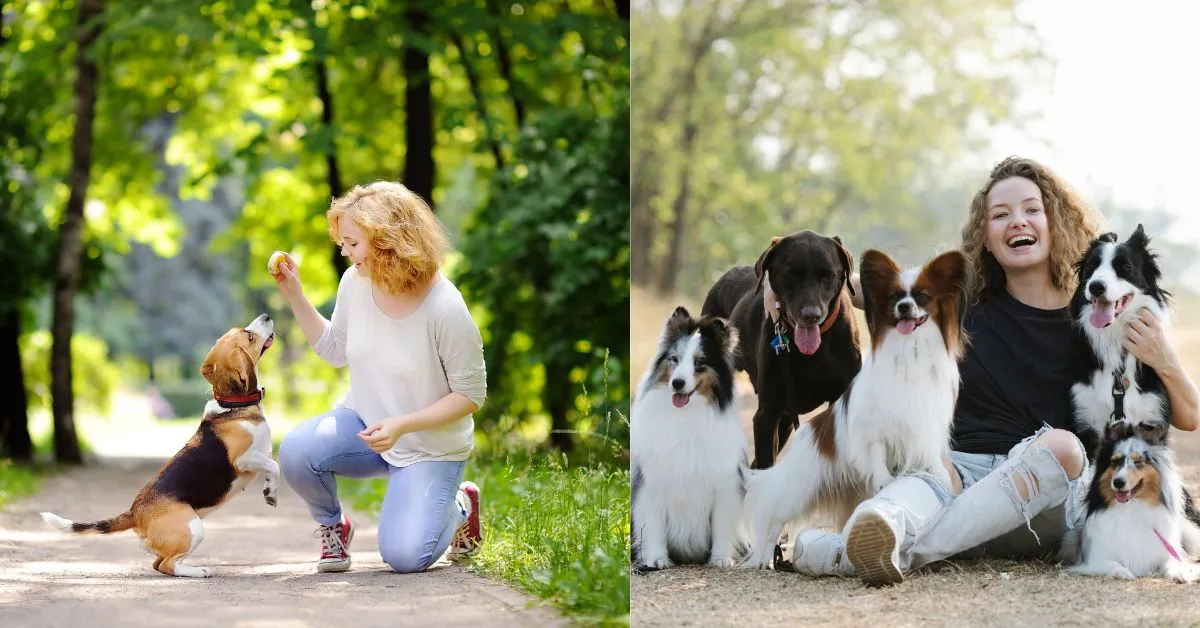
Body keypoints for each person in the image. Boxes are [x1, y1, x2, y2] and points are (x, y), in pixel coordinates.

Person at [789, 156, 1200, 585]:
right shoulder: (957, 305)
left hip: (1044, 493)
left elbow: (1187, 417)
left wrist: (1164, 357)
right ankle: (879, 530)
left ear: (1053, 221)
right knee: (926, 472)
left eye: (1030, 210)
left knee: (1061, 448)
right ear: (984, 236)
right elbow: (852, 285)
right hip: (958, 474)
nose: (1017, 222)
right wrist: (773, 288)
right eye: (1000, 215)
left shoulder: (1095, 317)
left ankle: (847, 553)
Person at [273, 181, 488, 574]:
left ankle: (461, 505)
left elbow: (471, 395)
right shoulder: (355, 283)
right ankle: (333, 528)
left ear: (387, 240)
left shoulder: (445, 307)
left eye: (352, 243)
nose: (344, 251)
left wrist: (403, 425)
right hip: (366, 425)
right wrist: (295, 296)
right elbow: (335, 349)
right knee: (296, 451)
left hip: (428, 446)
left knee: (406, 557)